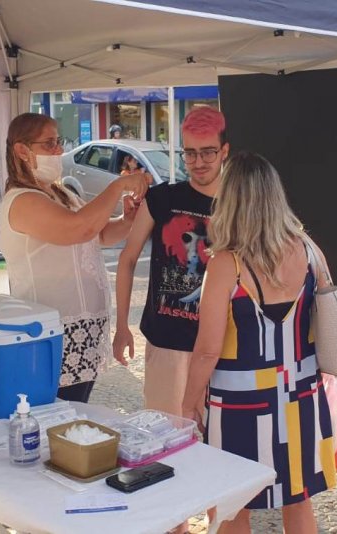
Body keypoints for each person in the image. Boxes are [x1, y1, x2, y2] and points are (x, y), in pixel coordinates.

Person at [181, 151, 336, 534]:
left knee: (232, 505)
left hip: (240, 403)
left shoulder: (226, 265)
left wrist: (189, 400)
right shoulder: (310, 251)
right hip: (300, 395)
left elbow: (207, 349)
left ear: (230, 200)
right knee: (298, 501)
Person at [0, 113, 150, 403]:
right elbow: (80, 228)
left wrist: (126, 219)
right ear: (22, 151)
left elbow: (100, 234)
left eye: (59, 142)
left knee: (75, 410)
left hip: (82, 330)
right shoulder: (23, 200)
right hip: (51, 333)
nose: (58, 150)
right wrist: (117, 186)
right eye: (49, 144)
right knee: (56, 414)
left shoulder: (61, 192)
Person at [113, 106, 229, 418]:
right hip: (166, 343)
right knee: (166, 443)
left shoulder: (239, 204)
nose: (199, 162)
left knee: (218, 451)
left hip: (223, 348)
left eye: (208, 152)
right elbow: (127, 260)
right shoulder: (162, 198)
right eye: (190, 153)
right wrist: (121, 325)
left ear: (224, 151)